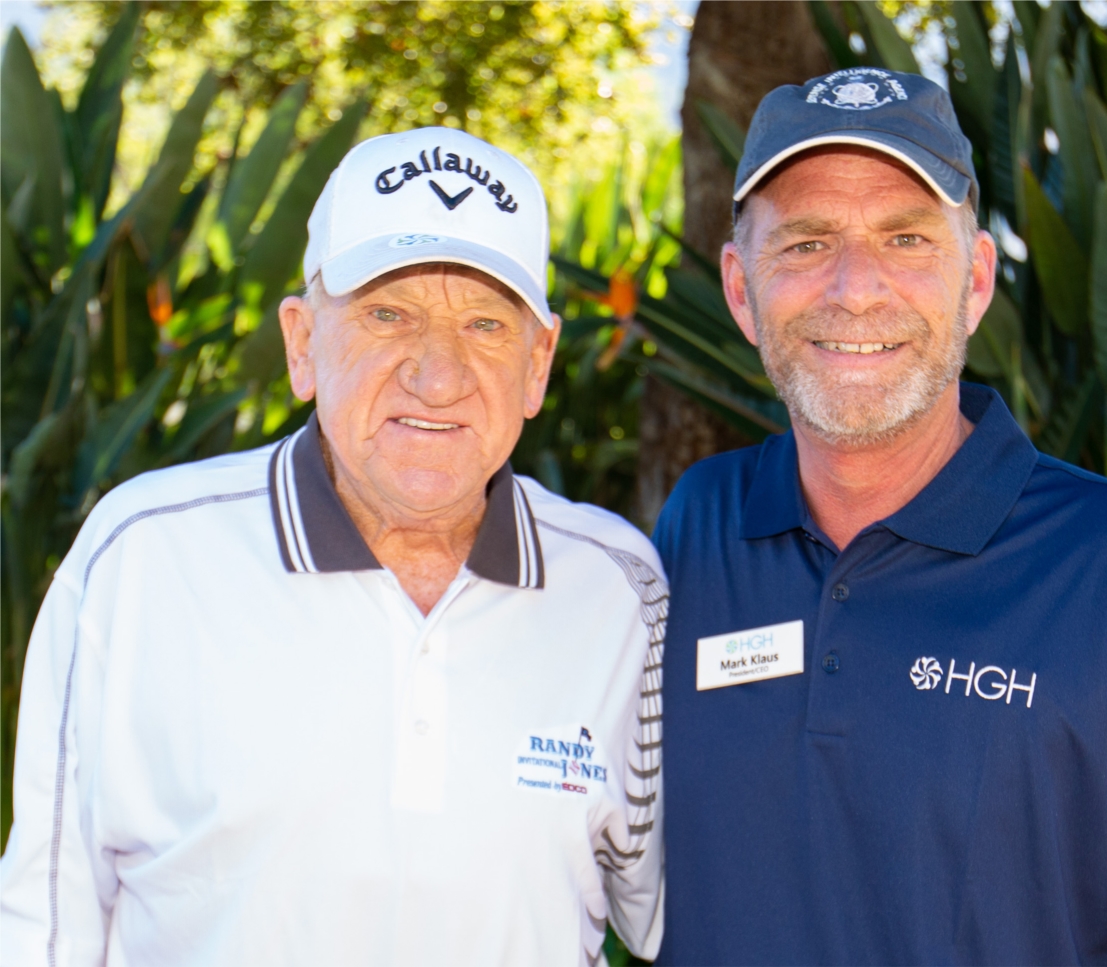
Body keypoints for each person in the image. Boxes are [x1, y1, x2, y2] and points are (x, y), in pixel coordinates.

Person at [653, 67, 1107, 966]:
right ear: (741, 290)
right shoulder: (695, 529)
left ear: (976, 281)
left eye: (906, 238)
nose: (855, 287)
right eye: (805, 243)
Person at [2, 127, 665, 966]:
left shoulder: (618, 588)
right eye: (388, 314)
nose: (437, 374)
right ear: (302, 342)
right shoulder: (142, 557)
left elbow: (675, 911)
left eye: (487, 324)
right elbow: (40, 925)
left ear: (538, 365)